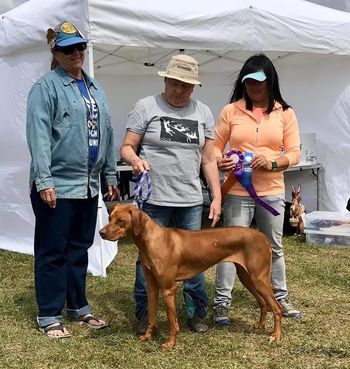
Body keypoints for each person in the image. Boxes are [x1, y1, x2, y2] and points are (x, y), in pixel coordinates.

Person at [26, 21, 119, 338]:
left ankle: (77, 305)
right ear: (56, 52)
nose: (76, 53)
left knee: (80, 247)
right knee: (53, 250)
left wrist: (109, 173)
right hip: (57, 186)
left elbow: (106, 133)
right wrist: (44, 180)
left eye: (80, 46)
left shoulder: (96, 90)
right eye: (68, 48)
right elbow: (38, 137)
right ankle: (49, 313)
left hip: (88, 185)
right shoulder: (45, 87)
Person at [120, 54, 222, 335]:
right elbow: (127, 146)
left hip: (190, 200)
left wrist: (216, 196)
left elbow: (209, 159)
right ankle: (145, 315)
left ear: (194, 87)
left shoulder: (203, 113)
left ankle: (196, 314)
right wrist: (135, 161)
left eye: (186, 86)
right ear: (165, 80)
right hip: (154, 204)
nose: (179, 90)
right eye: (175, 83)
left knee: (195, 263)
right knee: (147, 264)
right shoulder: (146, 107)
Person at [213, 53, 302, 326]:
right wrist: (223, 161)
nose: (254, 86)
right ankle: (221, 303)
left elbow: (295, 154)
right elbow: (214, 150)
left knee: (274, 247)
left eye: (259, 82)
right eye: (249, 81)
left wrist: (274, 162)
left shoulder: (285, 113)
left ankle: (280, 297)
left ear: (270, 81)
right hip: (237, 192)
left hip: (272, 192)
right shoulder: (231, 111)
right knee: (229, 248)